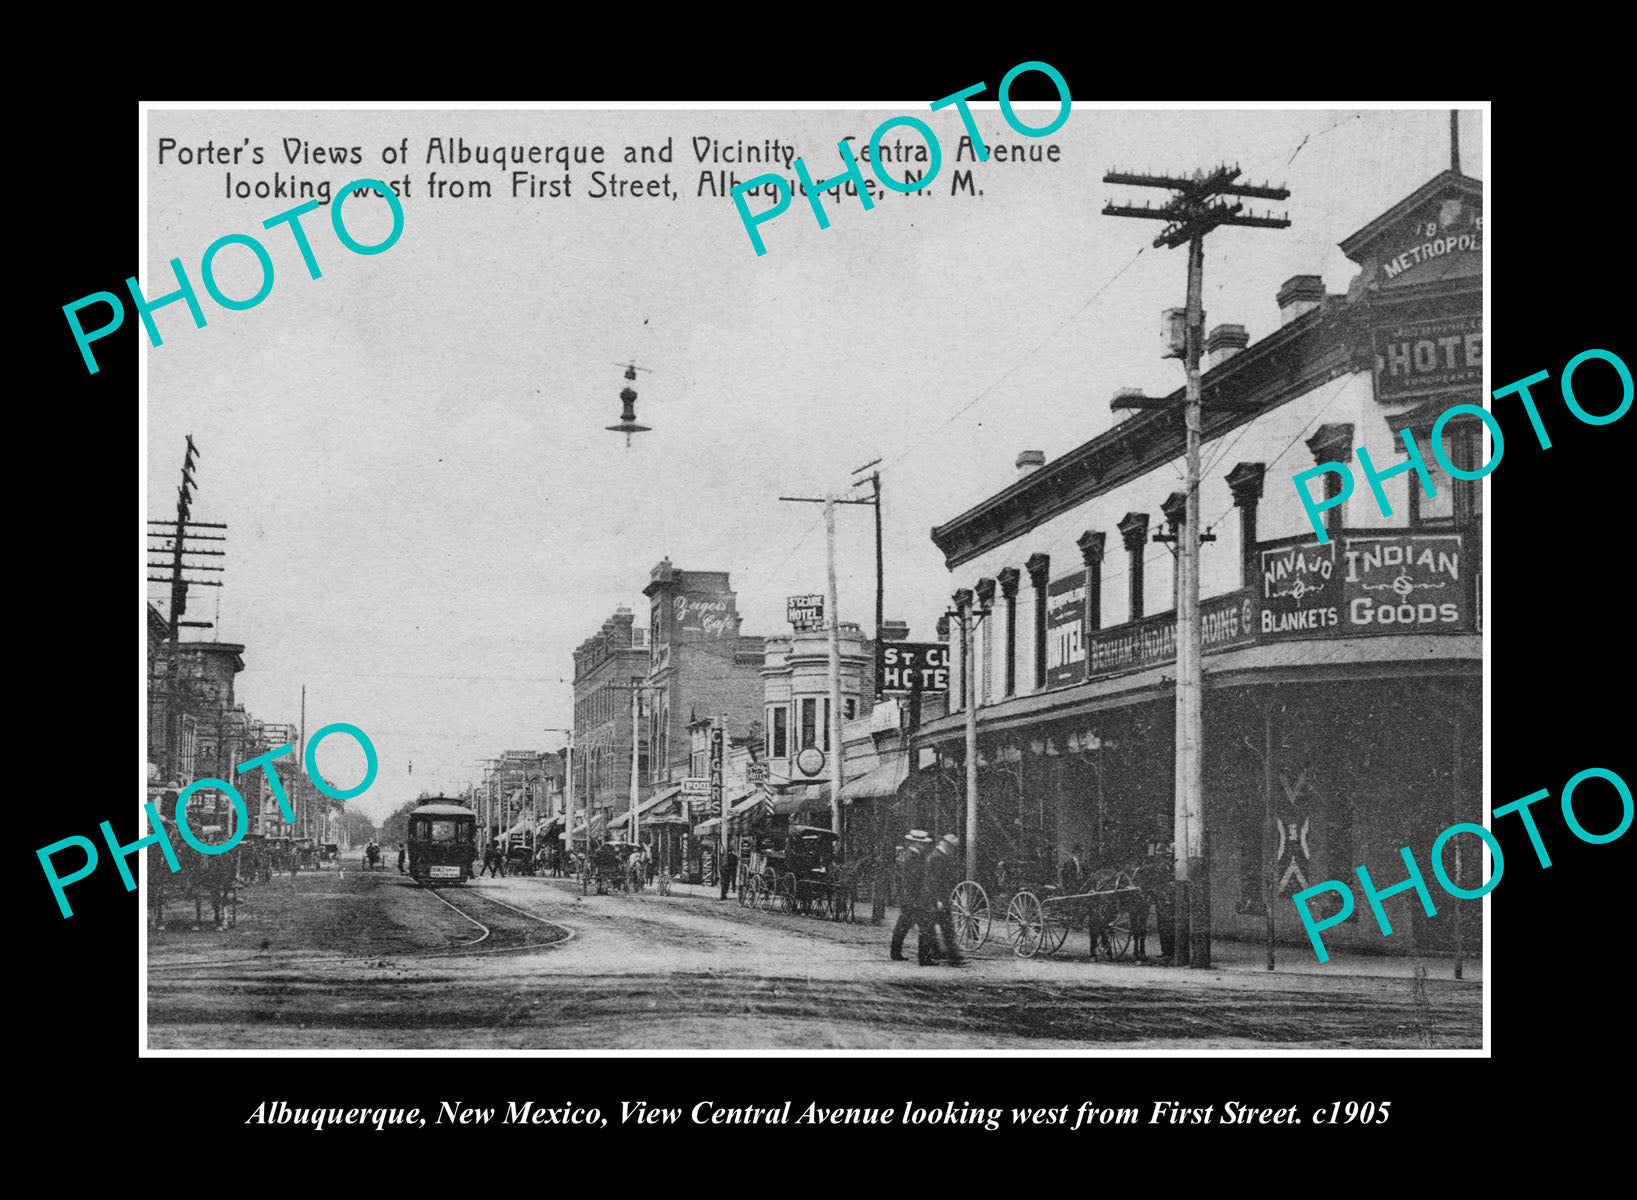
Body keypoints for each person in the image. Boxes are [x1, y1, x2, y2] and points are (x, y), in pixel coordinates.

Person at [921, 833, 966, 966]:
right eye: (952, 847)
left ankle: (940, 953)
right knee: (945, 927)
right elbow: (933, 881)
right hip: (936, 898)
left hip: (939, 897)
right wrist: (938, 899)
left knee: (939, 927)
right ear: (946, 844)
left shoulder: (939, 856)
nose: (953, 850)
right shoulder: (937, 858)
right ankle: (953, 957)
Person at [889, 831, 934, 964]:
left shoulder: (910, 854)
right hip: (915, 897)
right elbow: (914, 880)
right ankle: (924, 958)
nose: (925, 846)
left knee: (902, 926)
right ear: (917, 843)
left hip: (908, 897)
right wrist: (919, 897)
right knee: (926, 927)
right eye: (923, 843)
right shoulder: (914, 857)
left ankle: (895, 953)